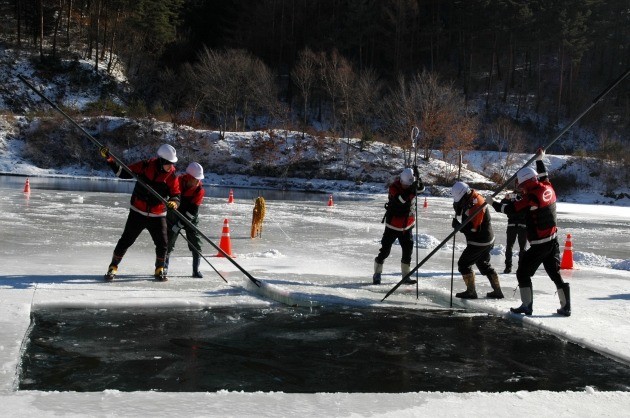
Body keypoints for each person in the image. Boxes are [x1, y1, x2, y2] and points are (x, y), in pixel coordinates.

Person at [491, 148, 571, 316]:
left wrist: (493, 203)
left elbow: (511, 209)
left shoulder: (531, 198)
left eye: (521, 186)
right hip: (552, 241)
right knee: (554, 274)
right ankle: (566, 307)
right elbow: (544, 176)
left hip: (539, 245)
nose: (520, 190)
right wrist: (540, 159)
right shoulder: (547, 188)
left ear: (526, 183)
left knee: (522, 273)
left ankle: (527, 305)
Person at [100, 144, 181, 282]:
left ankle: (160, 268)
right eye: (168, 164)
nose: (170, 166)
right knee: (126, 240)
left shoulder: (172, 176)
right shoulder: (145, 166)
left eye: (172, 164)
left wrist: (174, 203)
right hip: (138, 212)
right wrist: (109, 159)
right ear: (161, 161)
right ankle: (113, 266)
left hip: (158, 215)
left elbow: (176, 195)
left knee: (163, 244)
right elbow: (123, 173)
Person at [451, 181, 503, 299]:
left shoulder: (476, 205)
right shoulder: (470, 197)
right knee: (483, 263)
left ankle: (471, 292)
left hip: (479, 241)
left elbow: (472, 229)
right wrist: (457, 207)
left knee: (464, 264)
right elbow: (461, 209)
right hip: (486, 238)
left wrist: (459, 227)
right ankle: (497, 291)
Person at [373, 166, 425, 285]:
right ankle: (377, 273)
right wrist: (411, 189)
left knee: (408, 251)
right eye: (406, 185)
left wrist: (419, 178)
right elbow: (401, 200)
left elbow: (421, 189)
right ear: (401, 181)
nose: (406, 186)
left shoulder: (411, 187)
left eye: (409, 185)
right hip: (393, 225)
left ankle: (405, 276)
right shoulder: (393, 188)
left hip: (407, 226)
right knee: (385, 251)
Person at [165, 162, 206, 278]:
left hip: (190, 218)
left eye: (199, 180)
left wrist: (180, 224)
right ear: (188, 177)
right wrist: (175, 223)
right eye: (195, 179)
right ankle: (163, 268)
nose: (198, 182)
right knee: (167, 243)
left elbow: (192, 211)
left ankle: (195, 270)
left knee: (196, 244)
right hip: (174, 214)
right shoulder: (177, 182)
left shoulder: (199, 190)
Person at [500, 183, 528, 273]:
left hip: (523, 225)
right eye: (517, 185)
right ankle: (508, 267)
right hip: (512, 224)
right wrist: (506, 198)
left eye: (521, 185)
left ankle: (521, 267)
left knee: (522, 248)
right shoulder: (511, 195)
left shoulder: (527, 195)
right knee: (509, 247)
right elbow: (502, 205)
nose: (519, 188)